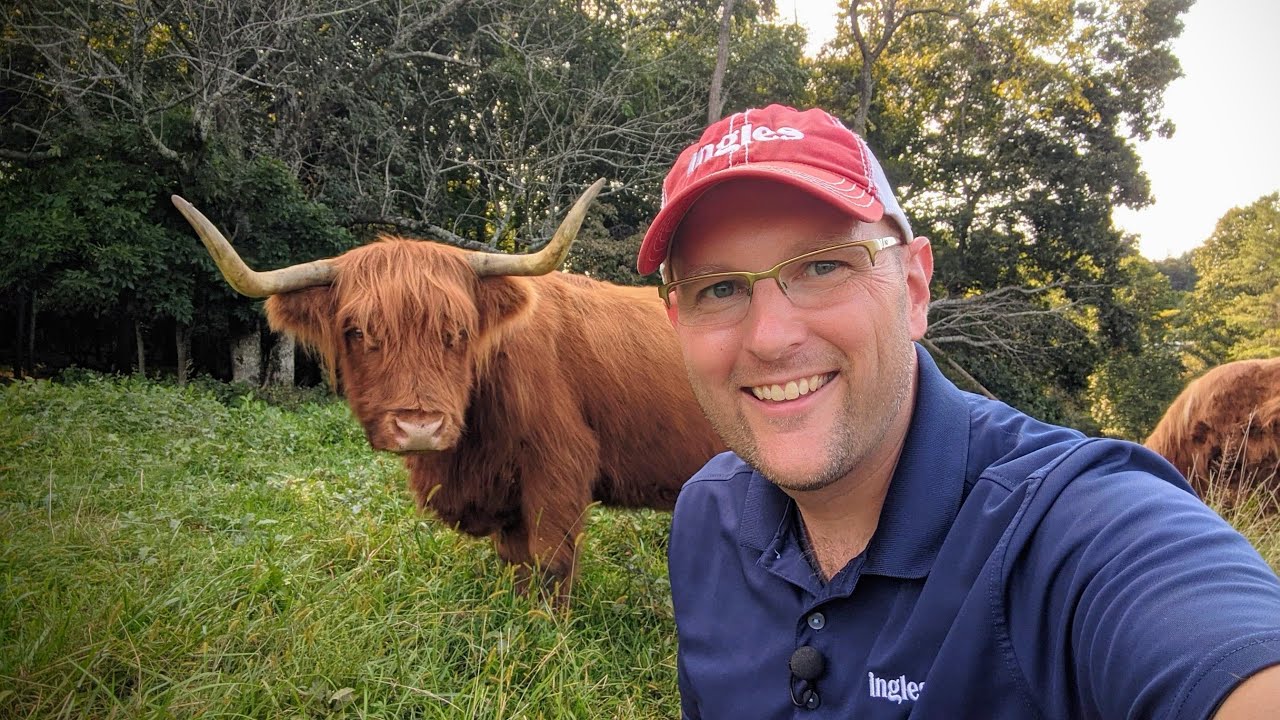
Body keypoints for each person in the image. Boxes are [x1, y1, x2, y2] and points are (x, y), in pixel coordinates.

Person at [636, 104, 1280, 719]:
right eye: (718, 289)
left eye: (823, 267)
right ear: (676, 322)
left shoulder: (1068, 528)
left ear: (913, 292)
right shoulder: (705, 519)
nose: (770, 337)